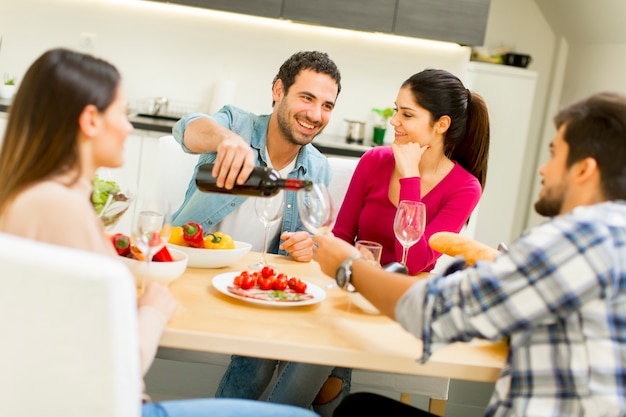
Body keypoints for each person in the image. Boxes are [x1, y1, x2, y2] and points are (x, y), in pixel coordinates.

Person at [0, 47, 319, 417]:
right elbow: (113, 367)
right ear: (90, 120)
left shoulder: (32, 199)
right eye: (122, 113)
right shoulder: (59, 209)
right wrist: (153, 310)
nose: (129, 127)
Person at [312, 91, 626, 416]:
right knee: (361, 407)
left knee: (358, 411)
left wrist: (347, 264)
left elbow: (432, 310)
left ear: (584, 169)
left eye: (554, 154)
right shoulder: (612, 234)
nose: (543, 169)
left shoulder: (576, 238)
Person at [170, 51, 345, 413]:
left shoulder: (316, 167)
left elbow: (310, 240)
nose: (315, 115)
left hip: (255, 286)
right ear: (279, 90)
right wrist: (224, 140)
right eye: (307, 98)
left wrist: (306, 246)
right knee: (264, 348)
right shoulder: (237, 124)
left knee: (337, 353)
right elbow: (186, 129)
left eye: (327, 105)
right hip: (198, 275)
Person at [311, 68, 491, 414]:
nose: (394, 121)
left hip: (399, 304)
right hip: (350, 290)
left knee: (316, 367)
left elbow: (416, 260)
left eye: (407, 114)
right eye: (396, 109)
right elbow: (341, 237)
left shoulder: (465, 187)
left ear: (441, 125)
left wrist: (410, 177)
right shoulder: (375, 161)